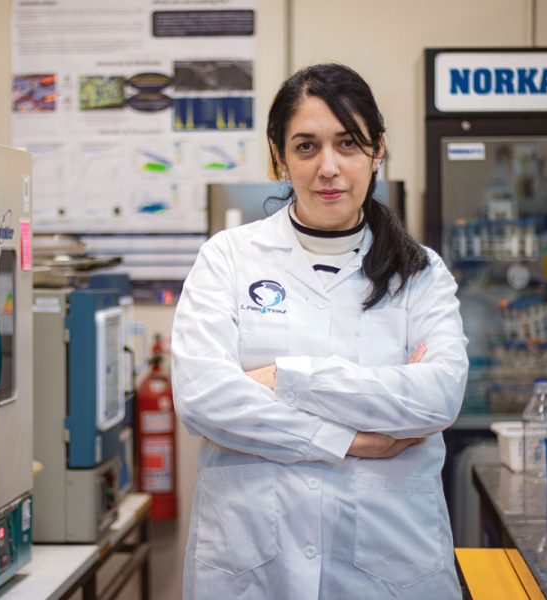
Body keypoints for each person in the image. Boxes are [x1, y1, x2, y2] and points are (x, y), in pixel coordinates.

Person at [171, 63, 469, 600]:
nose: (328, 167)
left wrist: (284, 378)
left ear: (377, 152)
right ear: (279, 158)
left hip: (389, 568)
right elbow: (203, 398)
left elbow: (437, 397)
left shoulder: (420, 273)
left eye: (348, 143)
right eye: (306, 147)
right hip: (252, 570)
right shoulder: (227, 259)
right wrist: (348, 439)